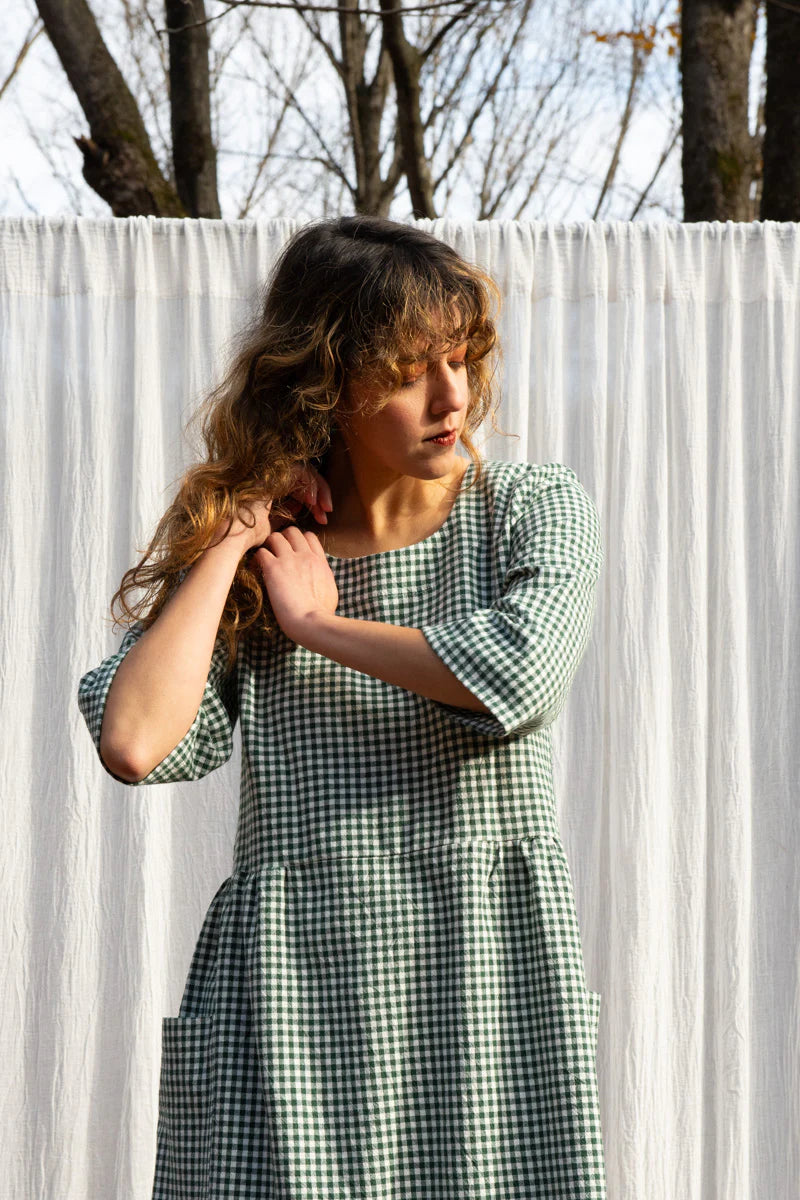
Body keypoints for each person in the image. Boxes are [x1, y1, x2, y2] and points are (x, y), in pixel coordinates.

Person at [77, 215, 607, 1199]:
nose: (452, 396)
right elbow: (134, 739)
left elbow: (518, 673)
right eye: (411, 370)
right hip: (288, 998)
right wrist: (234, 537)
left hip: (476, 981)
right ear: (328, 382)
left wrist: (319, 627)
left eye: (462, 358)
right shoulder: (267, 563)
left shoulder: (527, 511)